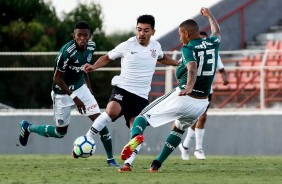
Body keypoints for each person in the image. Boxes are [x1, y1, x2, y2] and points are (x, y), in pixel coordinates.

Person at [120, 7, 221, 172]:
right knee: (179, 129)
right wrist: (210, 15)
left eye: (180, 34)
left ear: (187, 34)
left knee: (141, 118)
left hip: (184, 96)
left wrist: (188, 86)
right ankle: (156, 164)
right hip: (202, 103)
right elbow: (217, 31)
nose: (180, 37)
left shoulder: (188, 48)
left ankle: (136, 139)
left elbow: (192, 67)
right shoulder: (212, 43)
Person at [79, 15, 179, 172]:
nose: (141, 33)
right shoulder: (127, 45)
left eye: (146, 30)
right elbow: (107, 57)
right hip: (123, 89)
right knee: (111, 111)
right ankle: (87, 138)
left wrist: (176, 63)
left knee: (136, 131)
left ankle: (128, 164)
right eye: (139, 30)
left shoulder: (155, 46)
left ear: (153, 31)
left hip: (141, 97)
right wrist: (93, 66)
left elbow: (162, 57)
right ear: (136, 30)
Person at [18, 21, 119, 167]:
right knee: (60, 133)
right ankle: (27, 127)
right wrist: (75, 98)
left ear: (89, 36)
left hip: (80, 88)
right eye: (79, 35)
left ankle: (111, 160)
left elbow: (84, 68)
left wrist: (88, 88)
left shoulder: (91, 46)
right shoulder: (66, 52)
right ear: (74, 35)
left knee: (101, 122)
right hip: (62, 93)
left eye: (85, 35)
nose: (83, 38)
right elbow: (57, 79)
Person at [179, 31, 229, 160]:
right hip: (190, 91)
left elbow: (221, 68)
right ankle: (185, 145)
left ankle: (197, 148)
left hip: (206, 91)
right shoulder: (189, 51)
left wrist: (224, 78)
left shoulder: (212, 52)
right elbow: (181, 67)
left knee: (202, 117)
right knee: (191, 119)